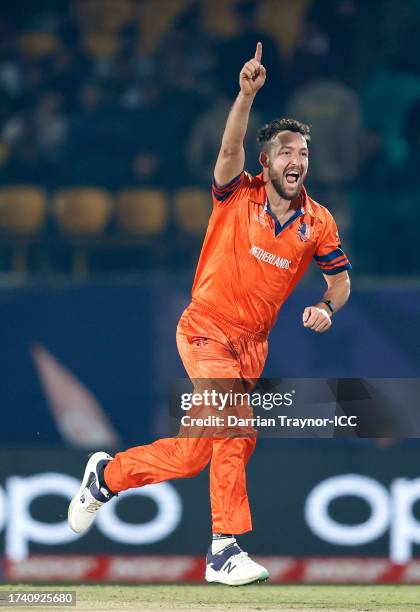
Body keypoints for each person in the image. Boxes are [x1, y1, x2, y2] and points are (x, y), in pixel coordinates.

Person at [68, 42, 351, 586]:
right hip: (205, 328)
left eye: (304, 153)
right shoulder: (236, 194)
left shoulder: (319, 222)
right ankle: (224, 548)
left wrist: (324, 305)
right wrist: (245, 96)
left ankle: (107, 475)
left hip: (251, 343)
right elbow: (228, 148)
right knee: (236, 426)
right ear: (266, 161)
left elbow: (339, 282)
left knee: (196, 453)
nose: (298, 160)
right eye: (287, 151)